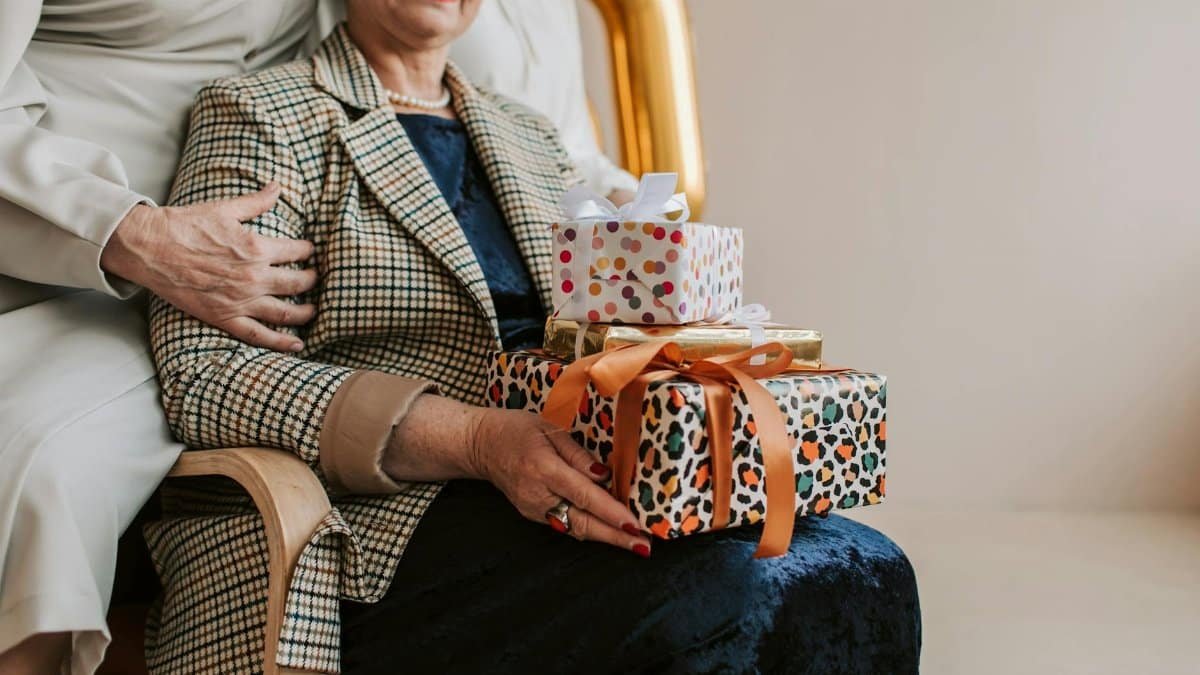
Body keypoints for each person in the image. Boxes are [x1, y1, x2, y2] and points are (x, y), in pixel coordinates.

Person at [144, 1, 922, 673]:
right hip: (380, 518)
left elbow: (593, 327)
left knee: (871, 569)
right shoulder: (258, 113)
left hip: (582, 464)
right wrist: (477, 439)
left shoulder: (530, 135)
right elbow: (201, 374)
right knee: (725, 594)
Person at [0, 2, 342, 673]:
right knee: (43, 469)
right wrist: (138, 235)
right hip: (40, 241)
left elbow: (440, 53)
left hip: (229, 285)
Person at [451, 0, 639, 204]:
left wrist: (620, 198)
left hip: (553, 215)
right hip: (470, 208)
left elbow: (575, 148)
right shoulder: (434, 12)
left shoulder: (557, 6)